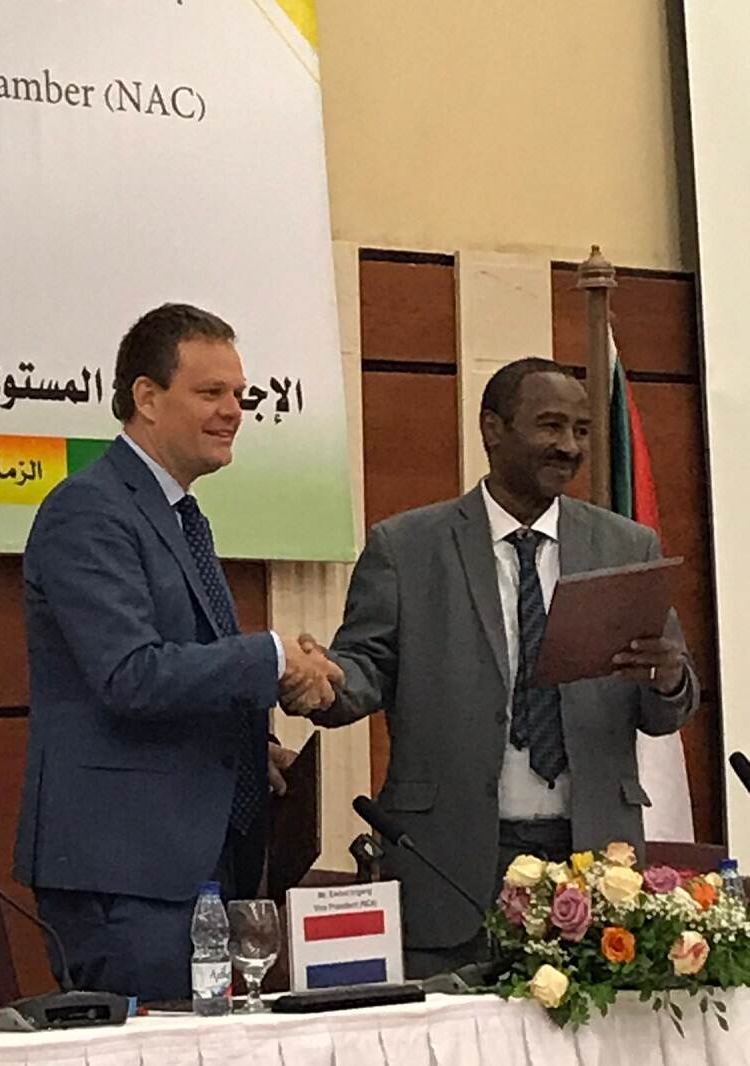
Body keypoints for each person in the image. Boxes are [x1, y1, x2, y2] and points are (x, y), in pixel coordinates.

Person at [287, 357, 699, 978]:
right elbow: (365, 668)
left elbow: (666, 709)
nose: (569, 447)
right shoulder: (406, 547)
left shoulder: (625, 546)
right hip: (451, 862)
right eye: (550, 426)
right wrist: (330, 682)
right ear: (493, 428)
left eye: (582, 430)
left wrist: (669, 677)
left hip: (594, 863)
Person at [13, 303, 342, 1000]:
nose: (233, 411)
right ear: (146, 397)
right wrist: (274, 658)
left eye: (240, 395)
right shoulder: (89, 510)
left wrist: (252, 748)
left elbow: (183, 672)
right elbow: (131, 675)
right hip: (124, 877)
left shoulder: (179, 515)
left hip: (192, 869)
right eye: (211, 392)